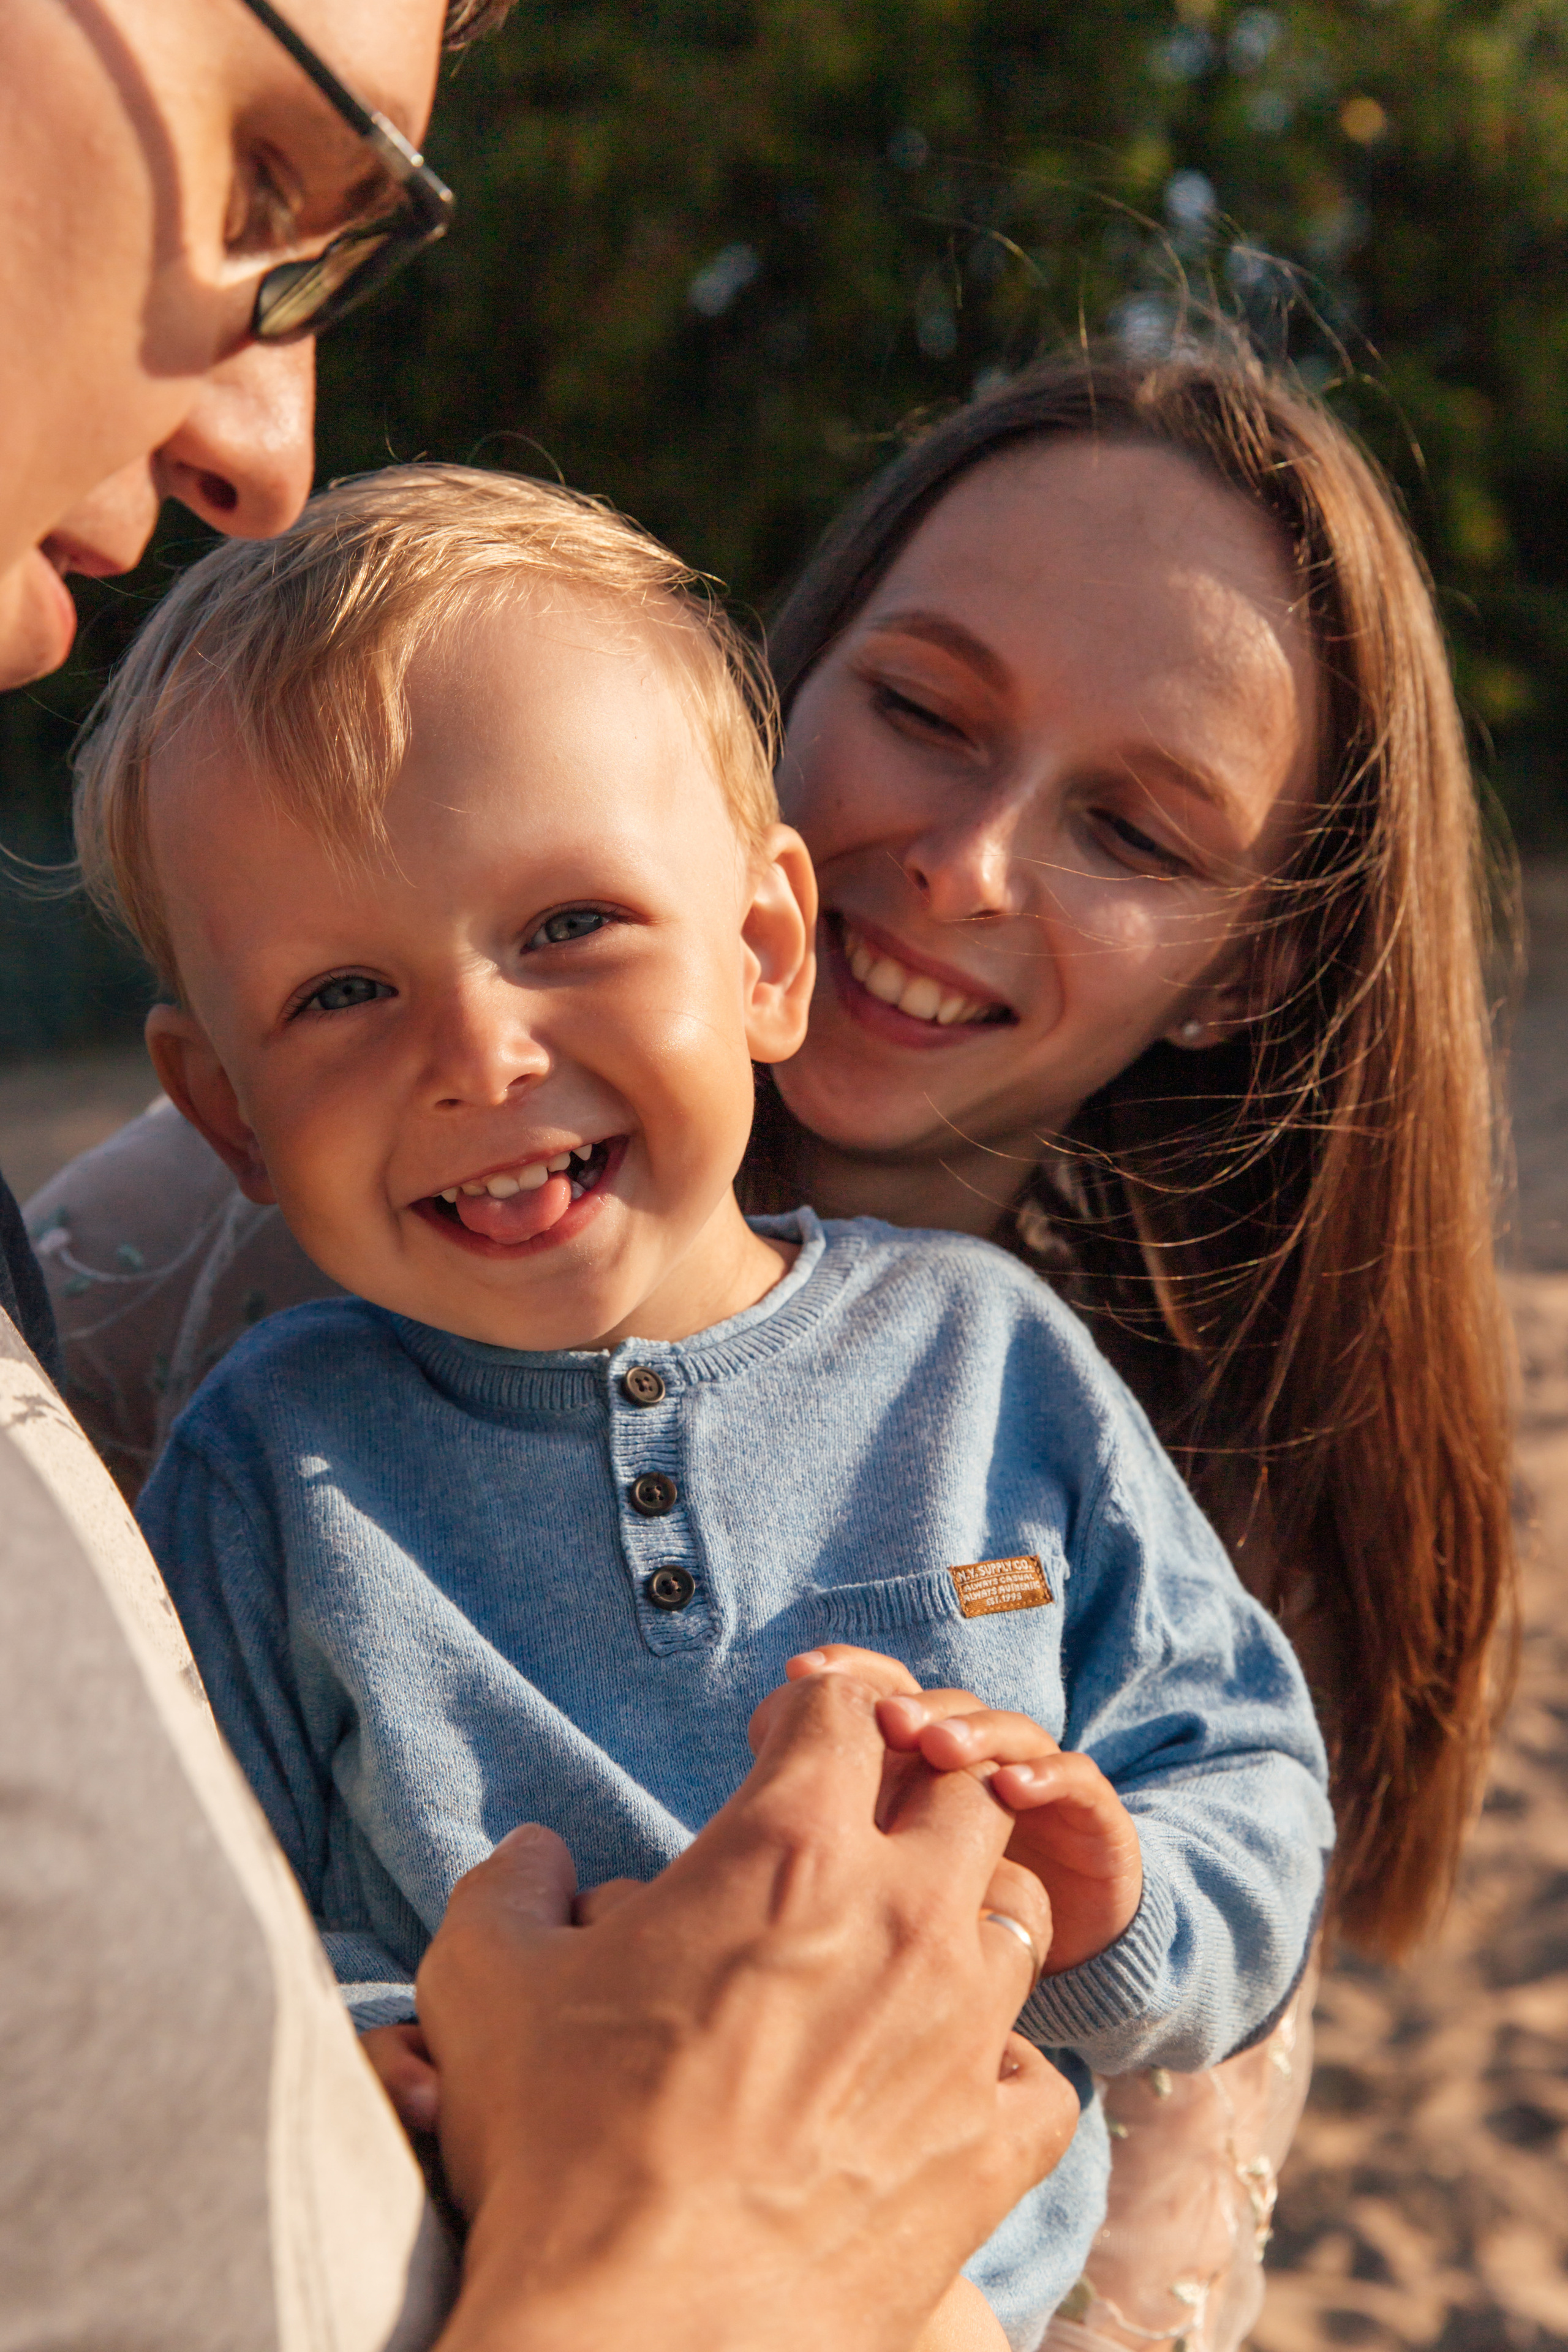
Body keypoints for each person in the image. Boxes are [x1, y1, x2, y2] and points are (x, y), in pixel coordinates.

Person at [36, 343, 1519, 2350]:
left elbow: (1219, 1855)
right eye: (921, 709)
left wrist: (1096, 1898)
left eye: (1138, 832)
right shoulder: (234, 1383)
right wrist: (430, 2052)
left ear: (762, 936)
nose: (972, 863)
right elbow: (201, 1922)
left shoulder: (1032, 1394)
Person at [0, 1, 1088, 2341]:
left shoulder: (990, 1353)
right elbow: (270, 1923)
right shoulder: (265, 1454)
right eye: (255, 165)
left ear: (763, 943)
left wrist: (1116, 1910)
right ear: (227, 1115)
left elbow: (1224, 1787)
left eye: (571, 929)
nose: (265, 435)